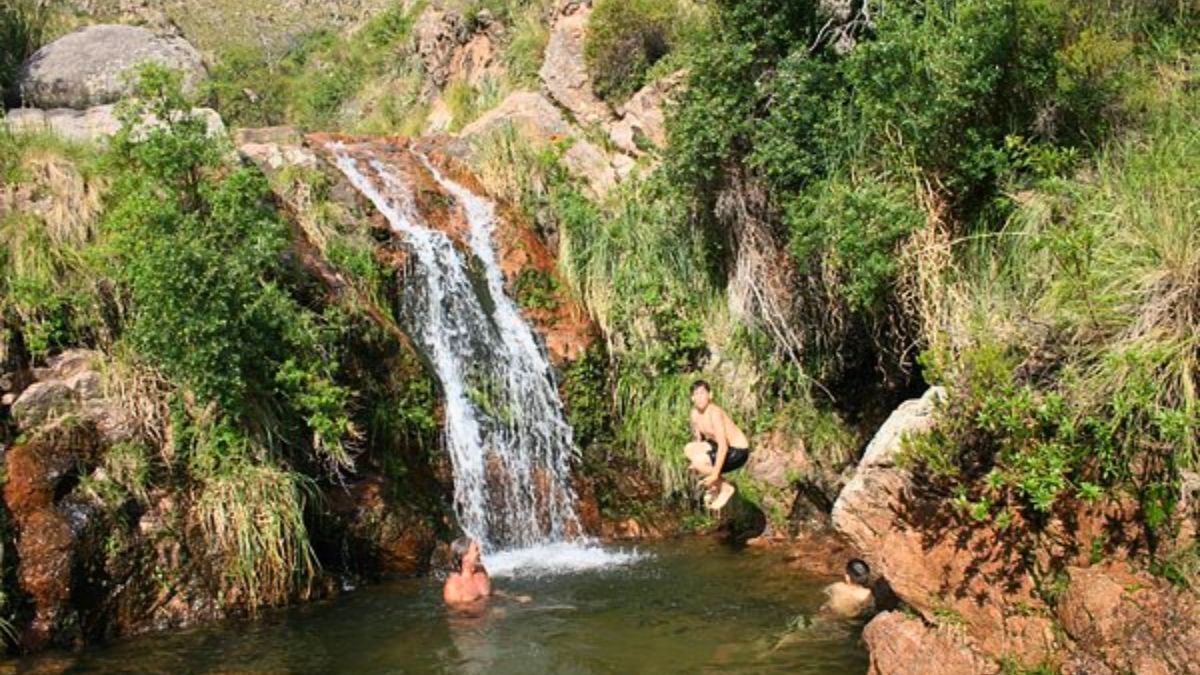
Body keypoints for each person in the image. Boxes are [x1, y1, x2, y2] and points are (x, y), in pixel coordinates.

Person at [683, 380, 751, 511]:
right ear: (692, 398)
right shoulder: (694, 414)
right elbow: (699, 440)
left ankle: (725, 488)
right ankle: (715, 487)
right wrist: (698, 466)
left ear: (710, 395)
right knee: (689, 449)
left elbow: (723, 447)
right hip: (717, 446)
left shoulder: (715, 413)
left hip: (738, 451)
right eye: (696, 394)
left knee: (699, 462)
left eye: (703, 393)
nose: (699, 397)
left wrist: (714, 474)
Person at [443, 537, 491, 606]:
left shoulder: (481, 571)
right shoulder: (453, 586)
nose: (479, 552)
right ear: (464, 557)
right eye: (476, 550)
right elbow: (455, 612)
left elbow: (490, 594)